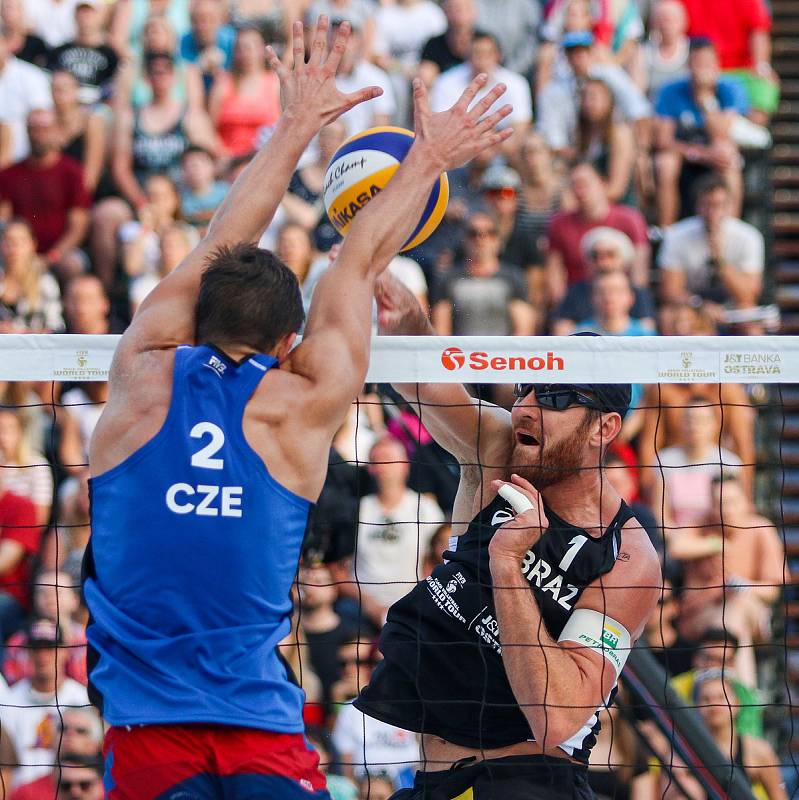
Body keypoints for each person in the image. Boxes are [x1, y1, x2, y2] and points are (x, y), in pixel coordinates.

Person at [81, 16, 512, 797]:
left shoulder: (139, 370)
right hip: (259, 725)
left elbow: (219, 240)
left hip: (145, 729)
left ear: (195, 314)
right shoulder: (302, 403)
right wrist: (430, 158)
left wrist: (294, 126)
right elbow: (355, 262)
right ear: (288, 339)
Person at [356, 274, 661, 799]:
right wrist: (408, 324)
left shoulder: (627, 558)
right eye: (526, 389)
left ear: (604, 429)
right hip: (434, 781)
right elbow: (425, 382)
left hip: (529, 784)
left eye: (556, 397)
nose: (526, 407)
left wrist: (506, 565)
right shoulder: (498, 448)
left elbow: (557, 716)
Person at [343, 435, 444, 628]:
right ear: (370, 469)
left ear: (405, 465)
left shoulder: (425, 508)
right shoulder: (358, 508)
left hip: (414, 605)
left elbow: (437, 560)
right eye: (377, 460)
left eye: (389, 458)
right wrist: (370, 605)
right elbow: (338, 569)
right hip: (361, 607)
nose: (383, 466)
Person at [653, 38, 747, 226]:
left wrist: (705, 99)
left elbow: (721, 133)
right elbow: (663, 141)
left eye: (707, 63)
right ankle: (666, 230)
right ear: (688, 65)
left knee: (727, 157)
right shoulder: (670, 91)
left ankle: (729, 228)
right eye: (697, 63)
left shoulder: (730, 89)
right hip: (686, 152)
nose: (702, 69)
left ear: (717, 65)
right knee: (664, 164)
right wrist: (699, 154)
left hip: (716, 151)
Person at [664, 671, 787, 800]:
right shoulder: (682, 752)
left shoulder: (757, 750)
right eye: (706, 699)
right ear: (695, 707)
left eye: (721, 697)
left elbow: (779, 796)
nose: (713, 704)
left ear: (737, 704)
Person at [0, 108, 90, 283]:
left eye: (45, 128)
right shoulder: (9, 174)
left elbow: (78, 226)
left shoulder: (72, 172)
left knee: (72, 264)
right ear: (26, 131)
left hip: (59, 253)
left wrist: (51, 257)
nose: (39, 134)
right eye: (34, 129)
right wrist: (20, 252)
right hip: (18, 249)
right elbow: (4, 220)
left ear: (56, 130)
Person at [1, 618, 90, 790]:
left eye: (50, 647)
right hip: (20, 794)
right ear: (26, 652)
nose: (43, 655)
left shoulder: (82, 700)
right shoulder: (7, 702)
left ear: (65, 651)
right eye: (36, 648)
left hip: (71, 791)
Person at [658, 172, 764, 315]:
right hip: (692, 306)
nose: (712, 213)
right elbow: (670, 292)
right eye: (707, 205)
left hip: (732, 307)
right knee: (668, 315)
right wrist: (701, 306)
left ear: (729, 207)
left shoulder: (749, 236)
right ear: (696, 206)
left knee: (749, 313)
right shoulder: (677, 235)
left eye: (719, 205)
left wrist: (720, 261)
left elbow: (749, 295)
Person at [545, 162, 650, 304]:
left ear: (601, 183)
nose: (580, 191)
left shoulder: (630, 219)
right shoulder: (559, 223)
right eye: (575, 185)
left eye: (584, 184)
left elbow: (639, 273)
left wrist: (630, 303)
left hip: (620, 297)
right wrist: (563, 306)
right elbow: (554, 273)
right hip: (578, 298)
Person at [536, 31, 651, 157]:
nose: (578, 57)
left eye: (583, 51)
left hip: (612, 149)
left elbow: (638, 110)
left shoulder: (611, 76)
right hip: (572, 154)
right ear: (566, 56)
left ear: (591, 52)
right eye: (572, 52)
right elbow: (553, 139)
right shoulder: (553, 91)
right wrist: (579, 159)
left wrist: (641, 151)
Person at [331, 639, 419, 789]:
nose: (387, 669)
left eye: (395, 663)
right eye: (378, 663)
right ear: (368, 667)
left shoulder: (417, 708)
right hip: (366, 788)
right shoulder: (350, 710)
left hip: (408, 786)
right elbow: (347, 774)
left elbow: (423, 764)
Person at [431, 210, 535, 336]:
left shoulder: (513, 278)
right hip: (460, 353)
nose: (480, 239)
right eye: (473, 233)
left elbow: (524, 329)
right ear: (465, 240)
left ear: (498, 240)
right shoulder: (448, 279)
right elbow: (441, 329)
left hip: (502, 354)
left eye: (490, 233)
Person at [680, 0, 779, 124]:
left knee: (765, 84)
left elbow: (758, 29)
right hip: (698, 67)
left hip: (742, 70)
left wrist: (762, 66)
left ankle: (746, 132)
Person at [431, 32, 532, 150]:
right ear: (467, 56)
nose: (481, 59)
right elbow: (442, 128)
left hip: (503, 153)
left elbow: (520, 129)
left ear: (498, 56)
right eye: (476, 53)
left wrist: (490, 143)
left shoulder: (517, 83)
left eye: (487, 54)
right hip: (460, 152)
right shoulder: (445, 82)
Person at [552, 227, 656, 335]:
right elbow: (562, 333)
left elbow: (647, 334)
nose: (602, 261)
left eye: (610, 254)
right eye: (595, 255)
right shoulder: (575, 291)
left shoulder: (638, 292)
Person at [209, 26, 281, 158]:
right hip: (229, 159)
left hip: (266, 157)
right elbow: (210, 127)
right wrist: (223, 155)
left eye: (251, 47)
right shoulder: (223, 83)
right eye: (240, 48)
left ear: (262, 50)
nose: (246, 53)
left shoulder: (275, 82)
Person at [574, 78, 636, 205]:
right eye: (584, 97)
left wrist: (579, 198)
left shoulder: (620, 133)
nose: (587, 103)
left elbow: (616, 189)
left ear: (608, 101)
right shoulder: (584, 133)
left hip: (615, 207)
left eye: (593, 97)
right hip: (588, 205)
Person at [333, 17, 396, 137]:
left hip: (360, 149)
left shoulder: (376, 78)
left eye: (345, 38)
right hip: (318, 151)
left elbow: (381, 128)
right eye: (333, 38)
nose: (338, 44)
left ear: (357, 41)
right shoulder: (314, 79)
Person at [48, 0, 119, 105]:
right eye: (82, 12)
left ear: (102, 17)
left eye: (91, 13)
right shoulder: (59, 51)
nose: (86, 18)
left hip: (97, 105)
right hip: (63, 104)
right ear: (75, 15)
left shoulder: (110, 55)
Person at [0, 219, 64, 332]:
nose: (14, 247)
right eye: (8, 241)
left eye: (21, 241)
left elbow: (55, 329)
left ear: (33, 245)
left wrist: (16, 333)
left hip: (33, 349)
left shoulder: (45, 282)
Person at [51, 70, 108, 196]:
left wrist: (78, 202)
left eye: (64, 88)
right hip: (56, 192)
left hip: (87, 194)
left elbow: (92, 174)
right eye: (55, 88)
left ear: (76, 90)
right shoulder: (47, 122)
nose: (59, 93)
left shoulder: (91, 121)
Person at [633, 0, 690, 99]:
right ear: (653, 23)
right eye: (661, 20)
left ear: (683, 22)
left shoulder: (692, 51)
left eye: (671, 19)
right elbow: (636, 94)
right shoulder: (643, 53)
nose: (666, 25)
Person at [418, 0, 478, 87]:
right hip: (445, 93)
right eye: (454, 8)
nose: (460, 13)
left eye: (465, 8)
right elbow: (426, 75)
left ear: (474, 11)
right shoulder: (434, 44)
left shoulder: (485, 41)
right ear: (445, 12)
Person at [179, 145, 229, 230]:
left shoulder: (227, 191)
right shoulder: (179, 197)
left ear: (213, 166)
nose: (196, 169)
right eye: (190, 165)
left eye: (201, 163)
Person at [0, 0, 49, 69]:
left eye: (10, 8)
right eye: (3, 8)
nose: (6, 13)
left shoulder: (36, 44)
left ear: (21, 11)